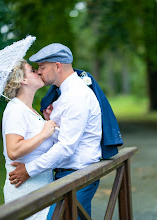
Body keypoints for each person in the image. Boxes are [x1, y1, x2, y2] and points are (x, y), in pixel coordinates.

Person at [8, 43, 102, 218]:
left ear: (57, 66)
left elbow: (66, 147)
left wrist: (29, 170)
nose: (39, 72)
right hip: (68, 176)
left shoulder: (76, 96)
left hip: (78, 176)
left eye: (42, 67)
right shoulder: (64, 95)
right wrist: (50, 121)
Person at [2, 59, 58, 220]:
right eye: (33, 70)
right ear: (23, 80)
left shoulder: (29, 110)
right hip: (25, 191)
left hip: (41, 188)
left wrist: (46, 120)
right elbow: (13, 150)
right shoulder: (16, 110)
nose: (39, 72)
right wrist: (43, 134)